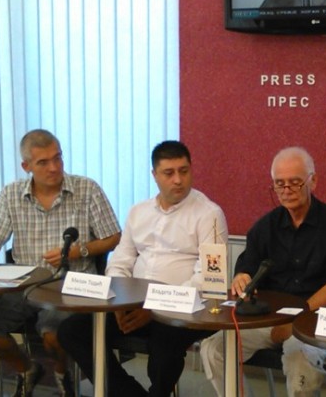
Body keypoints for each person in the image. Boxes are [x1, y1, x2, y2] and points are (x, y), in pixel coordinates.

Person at [58, 140, 229, 397]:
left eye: (183, 171)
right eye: (169, 173)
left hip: (184, 309)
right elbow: (121, 260)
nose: (178, 180)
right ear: (154, 175)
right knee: (72, 331)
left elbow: (207, 277)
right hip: (133, 303)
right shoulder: (139, 212)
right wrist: (118, 302)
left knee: (164, 348)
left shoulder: (209, 214)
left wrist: (154, 307)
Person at [0, 129, 121, 397]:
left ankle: (62, 374)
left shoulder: (87, 189)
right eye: (43, 162)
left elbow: (114, 237)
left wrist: (77, 251)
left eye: (57, 158)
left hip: (71, 284)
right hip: (24, 284)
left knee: (52, 333)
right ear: (26, 167)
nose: (54, 167)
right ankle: (27, 369)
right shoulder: (10, 195)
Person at [200, 146, 326, 397]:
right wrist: (241, 277)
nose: (286, 190)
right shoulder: (265, 226)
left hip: (318, 319)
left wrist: (297, 321)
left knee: (299, 354)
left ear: (313, 181)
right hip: (270, 318)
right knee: (213, 349)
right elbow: (247, 266)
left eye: (295, 183)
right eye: (279, 184)